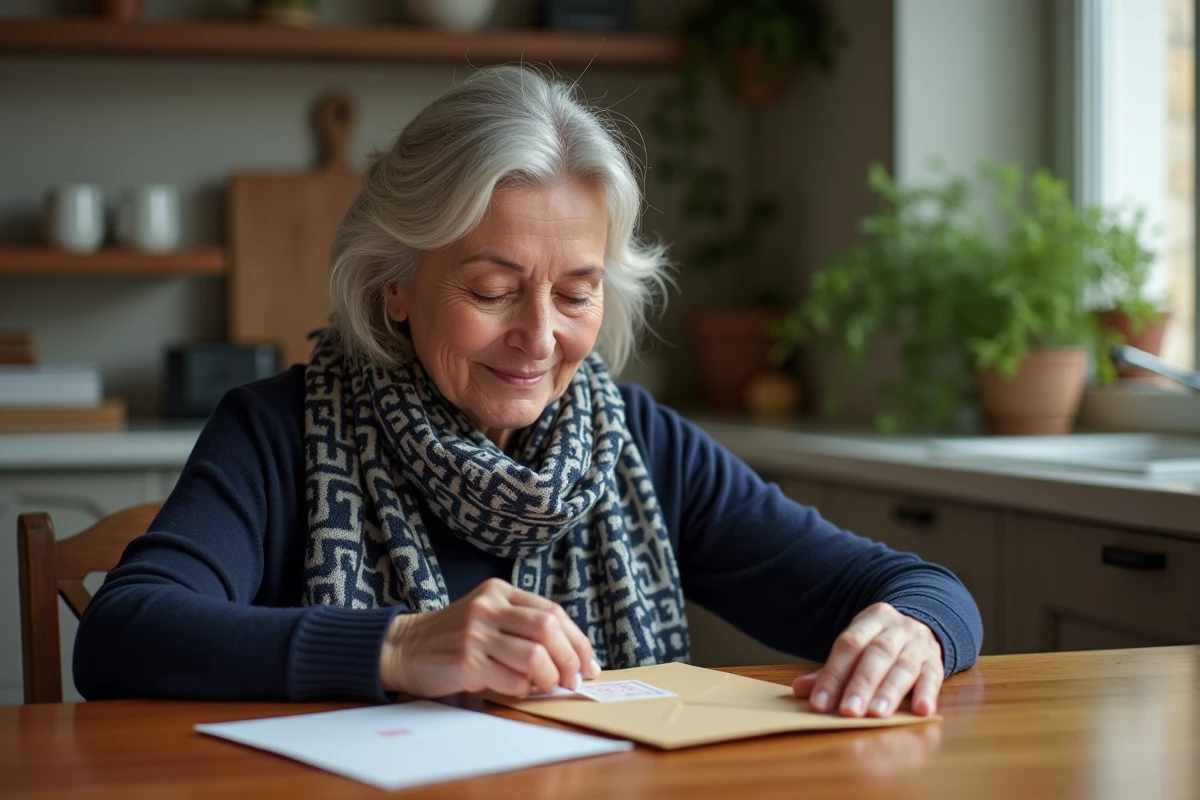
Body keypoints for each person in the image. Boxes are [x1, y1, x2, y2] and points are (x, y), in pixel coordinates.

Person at [74, 66, 981, 719]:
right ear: (394, 283)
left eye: (576, 293)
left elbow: (915, 585)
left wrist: (917, 632)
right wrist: (399, 647)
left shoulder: (639, 442)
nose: (541, 338)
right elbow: (124, 633)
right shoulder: (277, 432)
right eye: (492, 290)